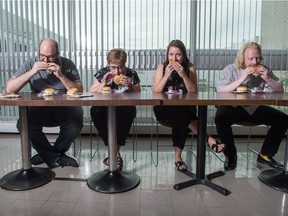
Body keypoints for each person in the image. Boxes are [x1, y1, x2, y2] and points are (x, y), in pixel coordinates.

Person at [6, 38, 83, 168]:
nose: (45, 61)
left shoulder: (67, 64)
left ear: (57, 54)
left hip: (65, 106)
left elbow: (79, 90)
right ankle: (56, 157)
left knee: (75, 123)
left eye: (50, 57)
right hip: (39, 106)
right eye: (42, 56)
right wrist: (32, 71)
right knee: (23, 125)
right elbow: (9, 88)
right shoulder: (31, 63)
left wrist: (60, 75)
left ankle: (46, 155)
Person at [153, 39, 225, 171]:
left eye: (178, 54)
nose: (174, 58)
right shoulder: (161, 67)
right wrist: (167, 75)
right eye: (171, 54)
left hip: (185, 109)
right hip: (163, 108)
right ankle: (207, 138)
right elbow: (156, 90)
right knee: (181, 113)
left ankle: (178, 158)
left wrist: (183, 75)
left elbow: (193, 91)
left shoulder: (190, 67)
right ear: (167, 55)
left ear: (184, 55)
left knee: (181, 114)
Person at [215, 41, 288, 170]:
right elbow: (220, 89)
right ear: (242, 58)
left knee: (283, 119)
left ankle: (265, 155)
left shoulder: (264, 70)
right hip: (233, 108)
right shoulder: (231, 69)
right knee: (220, 118)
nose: (255, 61)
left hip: (255, 108)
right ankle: (231, 155)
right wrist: (242, 78)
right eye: (250, 58)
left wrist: (268, 79)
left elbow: (279, 90)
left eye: (257, 57)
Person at [90, 48, 141, 171]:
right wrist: (104, 83)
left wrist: (130, 85)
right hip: (104, 107)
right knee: (96, 113)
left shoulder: (131, 73)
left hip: (125, 107)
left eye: (120, 67)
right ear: (108, 64)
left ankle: (114, 154)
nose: (117, 71)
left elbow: (139, 93)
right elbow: (92, 91)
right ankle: (115, 155)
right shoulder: (103, 73)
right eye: (113, 67)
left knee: (126, 115)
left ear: (125, 64)